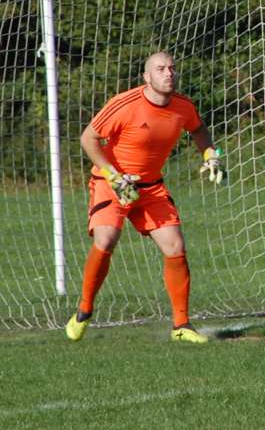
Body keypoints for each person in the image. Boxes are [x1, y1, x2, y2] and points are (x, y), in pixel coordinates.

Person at [65, 51, 224, 344]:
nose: (169, 73)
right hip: (111, 183)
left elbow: (199, 129)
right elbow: (88, 138)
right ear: (146, 77)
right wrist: (113, 175)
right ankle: (84, 309)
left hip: (151, 188)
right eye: (161, 69)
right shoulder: (124, 104)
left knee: (175, 246)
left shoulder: (183, 107)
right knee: (107, 239)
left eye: (172, 68)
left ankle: (181, 326)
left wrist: (210, 154)